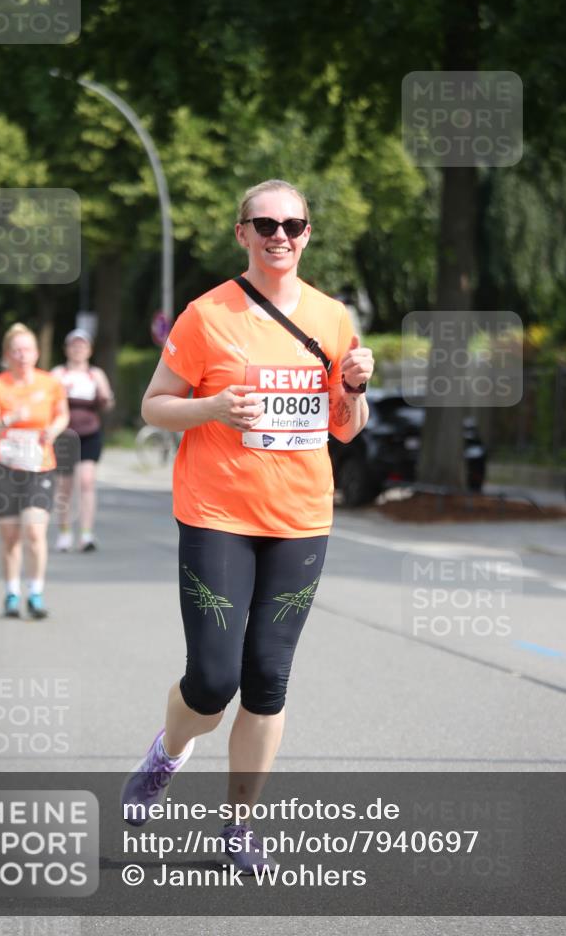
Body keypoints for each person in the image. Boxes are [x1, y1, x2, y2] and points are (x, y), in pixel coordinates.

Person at [122, 179, 374, 872]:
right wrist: (211, 410)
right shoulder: (207, 316)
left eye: (292, 224)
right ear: (241, 234)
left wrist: (352, 388)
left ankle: (237, 825)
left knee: (267, 678)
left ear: (307, 233)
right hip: (216, 514)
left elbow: (346, 430)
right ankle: (166, 753)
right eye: (264, 224)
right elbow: (152, 405)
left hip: (299, 518)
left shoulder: (331, 318)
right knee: (211, 679)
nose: (279, 236)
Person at [0, 324, 69, 619]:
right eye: (16, 350)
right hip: (4, 468)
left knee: (34, 531)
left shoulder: (50, 384)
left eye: (27, 349)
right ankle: (11, 592)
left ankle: (35, 592)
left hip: (39, 466)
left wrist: (53, 431)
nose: (22, 355)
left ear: (37, 353)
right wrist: (8, 418)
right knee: (10, 537)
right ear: (7, 354)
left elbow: (61, 414)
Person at [51, 329, 115, 552]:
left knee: (87, 482)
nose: (78, 350)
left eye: (82, 346)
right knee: (65, 485)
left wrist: (104, 399)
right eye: (74, 346)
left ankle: (87, 534)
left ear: (89, 350)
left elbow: (108, 403)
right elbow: (48, 402)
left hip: (90, 433)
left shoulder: (95, 374)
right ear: (67, 349)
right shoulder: (59, 373)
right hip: (65, 436)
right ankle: (65, 532)